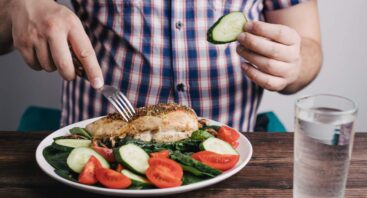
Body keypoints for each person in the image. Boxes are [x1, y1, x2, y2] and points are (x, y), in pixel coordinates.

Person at [0, 0, 322, 131]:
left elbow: (310, 46)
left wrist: (293, 65)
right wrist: (15, 9)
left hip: (229, 162)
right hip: (96, 171)